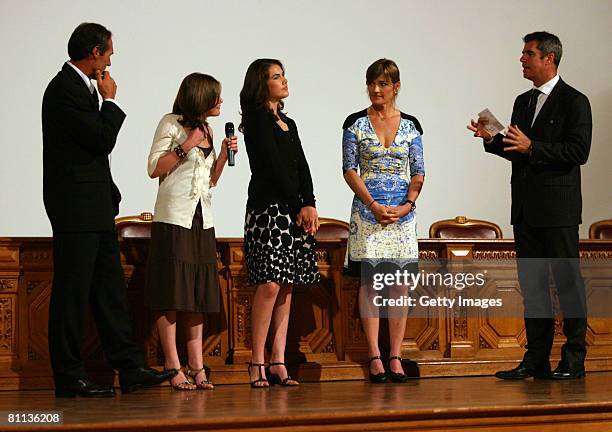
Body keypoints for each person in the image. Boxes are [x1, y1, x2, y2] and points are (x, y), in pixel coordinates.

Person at [42, 22, 176, 397]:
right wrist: (111, 101)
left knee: (109, 289)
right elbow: (99, 140)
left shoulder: (79, 87)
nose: (112, 60)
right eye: (109, 53)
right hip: (74, 207)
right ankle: (69, 377)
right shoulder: (64, 89)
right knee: (72, 291)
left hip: (95, 206)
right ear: (94, 53)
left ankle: (130, 367)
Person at [468, 31, 591, 380]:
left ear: (549, 58)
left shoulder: (574, 101)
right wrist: (492, 138)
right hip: (525, 209)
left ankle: (573, 359)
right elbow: (515, 149)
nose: (522, 59)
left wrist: (533, 146)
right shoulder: (523, 100)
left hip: (558, 209)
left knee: (567, 283)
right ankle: (535, 358)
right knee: (533, 285)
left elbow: (578, 151)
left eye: (528, 54)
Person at [145, 73, 238, 390]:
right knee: (172, 290)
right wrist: (186, 145)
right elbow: (154, 168)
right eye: (216, 96)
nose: (221, 102)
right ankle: (173, 364)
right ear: (200, 97)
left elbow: (208, 181)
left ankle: (197, 364)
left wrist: (222, 156)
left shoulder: (209, 129)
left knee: (196, 291)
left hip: (202, 217)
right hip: (174, 216)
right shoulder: (170, 123)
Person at [342, 59, 425, 383]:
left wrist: (407, 205)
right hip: (367, 212)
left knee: (400, 285)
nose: (376, 90)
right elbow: (350, 169)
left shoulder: (411, 125)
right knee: (371, 283)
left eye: (383, 84)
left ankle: (395, 355)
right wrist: (373, 204)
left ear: (396, 87)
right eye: (372, 83)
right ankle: (374, 356)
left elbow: (418, 171)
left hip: (401, 216)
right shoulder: (355, 124)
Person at [240, 58, 320, 388]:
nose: (284, 80)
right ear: (263, 85)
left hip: (293, 210)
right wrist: (296, 204)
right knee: (270, 283)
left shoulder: (290, 123)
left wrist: (310, 202)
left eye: (283, 75)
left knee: (287, 285)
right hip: (268, 210)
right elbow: (272, 168)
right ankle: (256, 360)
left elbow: (301, 166)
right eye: (276, 77)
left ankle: (278, 360)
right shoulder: (258, 119)